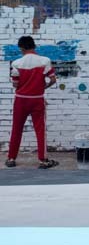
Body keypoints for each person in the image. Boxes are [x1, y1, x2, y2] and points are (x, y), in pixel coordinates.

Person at [5, 36, 58, 169]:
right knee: (40, 130)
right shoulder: (45, 61)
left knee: (16, 129)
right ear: (34, 46)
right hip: (37, 99)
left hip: (20, 100)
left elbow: (15, 84)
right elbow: (53, 80)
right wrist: (43, 88)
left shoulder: (16, 63)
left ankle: (11, 158)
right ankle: (43, 160)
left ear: (21, 48)